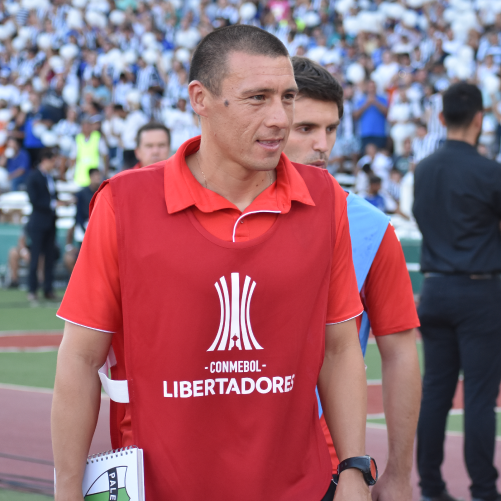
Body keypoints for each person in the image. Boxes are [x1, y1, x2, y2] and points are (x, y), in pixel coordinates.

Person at [52, 26, 373, 501]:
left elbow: (341, 349)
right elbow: (80, 357)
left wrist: (353, 469)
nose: (279, 118)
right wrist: (66, 490)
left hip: (299, 490)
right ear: (200, 99)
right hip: (161, 489)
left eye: (287, 97)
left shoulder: (324, 199)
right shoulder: (125, 202)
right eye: (257, 98)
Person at [284, 56, 421, 501]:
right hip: (222, 450)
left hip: (328, 461)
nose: (322, 145)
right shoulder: (220, 216)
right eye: (306, 128)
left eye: (331, 129)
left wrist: (398, 473)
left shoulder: (371, 228)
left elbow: (400, 352)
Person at [413, 82, 501, 501]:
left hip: (434, 288)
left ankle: (431, 486)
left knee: (436, 392)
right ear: (480, 119)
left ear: (442, 117)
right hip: (479, 291)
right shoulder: (490, 172)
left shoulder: (424, 170)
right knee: (480, 397)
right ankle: (483, 490)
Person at [26, 148, 59, 301]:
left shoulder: (50, 177)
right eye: (52, 161)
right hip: (38, 222)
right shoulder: (33, 177)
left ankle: (48, 289)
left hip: (50, 222)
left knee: (49, 257)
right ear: (45, 160)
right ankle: (32, 289)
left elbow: (53, 197)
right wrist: (53, 204)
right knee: (35, 257)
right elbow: (34, 199)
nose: (54, 164)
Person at [64, 168, 103, 272]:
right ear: (90, 177)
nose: (97, 178)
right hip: (84, 226)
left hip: (99, 226)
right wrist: (83, 228)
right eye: (95, 176)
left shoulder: (102, 192)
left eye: (99, 176)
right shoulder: (82, 193)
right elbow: (78, 214)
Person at [71, 117, 108, 186]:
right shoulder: (78, 138)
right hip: (81, 175)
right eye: (84, 126)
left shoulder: (97, 137)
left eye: (88, 126)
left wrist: (105, 169)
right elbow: (73, 157)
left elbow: (105, 154)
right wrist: (72, 171)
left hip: (95, 173)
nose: (86, 128)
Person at [353, 80, 389, 152]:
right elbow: (355, 116)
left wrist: (375, 102)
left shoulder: (382, 99)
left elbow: (387, 113)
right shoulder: (361, 100)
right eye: (370, 87)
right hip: (365, 134)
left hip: (380, 133)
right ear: (367, 88)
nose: (372, 89)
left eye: (373, 87)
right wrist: (367, 104)